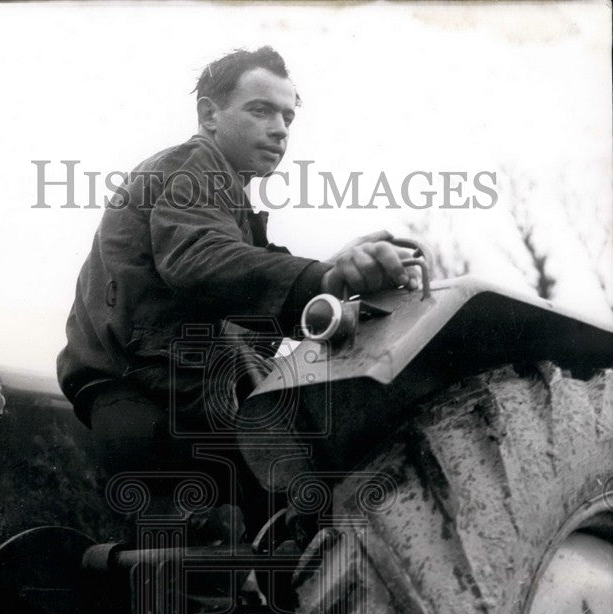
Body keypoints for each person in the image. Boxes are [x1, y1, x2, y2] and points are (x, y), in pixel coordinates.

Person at [57, 46, 414, 533]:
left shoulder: (218, 191)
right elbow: (200, 258)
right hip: (158, 405)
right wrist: (325, 279)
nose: (280, 129)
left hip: (146, 406)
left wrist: (330, 272)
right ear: (210, 114)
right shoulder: (194, 168)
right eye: (261, 110)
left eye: (288, 116)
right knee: (332, 495)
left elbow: (243, 281)